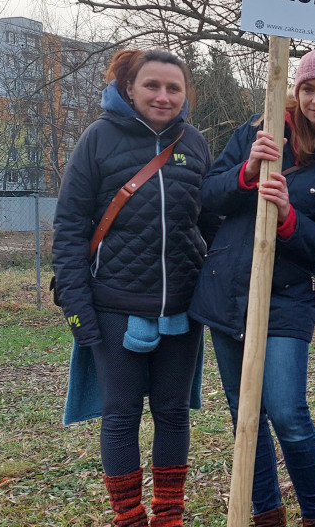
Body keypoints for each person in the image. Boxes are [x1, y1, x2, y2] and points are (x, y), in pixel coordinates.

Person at [189, 49, 315, 527]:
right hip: (226, 285)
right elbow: (206, 193)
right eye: (309, 88)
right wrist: (247, 171)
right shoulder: (259, 129)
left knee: (287, 412)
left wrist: (289, 216)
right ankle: (265, 512)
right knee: (243, 413)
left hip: (288, 294)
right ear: (296, 90)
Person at [52, 48, 212, 527]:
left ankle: (168, 517)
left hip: (181, 310)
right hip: (114, 308)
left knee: (173, 414)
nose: (163, 96)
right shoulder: (97, 140)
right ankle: (129, 517)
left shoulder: (195, 143)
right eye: (153, 86)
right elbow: (70, 228)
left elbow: (215, 218)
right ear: (129, 89)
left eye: (174, 88)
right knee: (120, 417)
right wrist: (78, 309)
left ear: (185, 95)